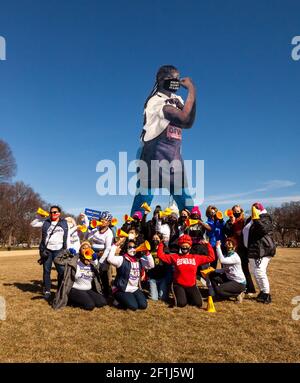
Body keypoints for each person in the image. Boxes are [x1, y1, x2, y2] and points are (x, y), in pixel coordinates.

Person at [131, 65, 196, 216]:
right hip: (152, 150)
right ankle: (133, 230)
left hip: (172, 151)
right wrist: (192, 90)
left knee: (183, 194)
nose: (175, 81)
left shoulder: (177, 99)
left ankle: (194, 229)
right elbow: (185, 119)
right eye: (170, 78)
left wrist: (187, 101)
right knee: (145, 194)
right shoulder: (155, 101)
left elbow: (190, 122)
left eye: (177, 78)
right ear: (160, 80)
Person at [157, 234, 215, 308]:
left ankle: (187, 295)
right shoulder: (175, 257)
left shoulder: (196, 258)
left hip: (191, 285)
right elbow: (161, 256)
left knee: (198, 304)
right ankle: (181, 295)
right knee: (181, 303)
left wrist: (208, 245)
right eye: (183, 246)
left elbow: (211, 258)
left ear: (190, 247)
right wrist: (161, 244)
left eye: (187, 246)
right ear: (180, 247)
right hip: (179, 285)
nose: (185, 248)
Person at [52, 241, 107, 310]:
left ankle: (84, 297)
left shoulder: (92, 263)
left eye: (88, 248)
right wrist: (67, 252)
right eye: (83, 248)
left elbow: (100, 272)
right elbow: (56, 260)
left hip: (87, 289)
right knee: (90, 305)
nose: (86, 249)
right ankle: (70, 299)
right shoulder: (73, 261)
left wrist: (96, 260)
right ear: (79, 251)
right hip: (75, 289)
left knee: (102, 302)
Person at [31, 205, 68, 300]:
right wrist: (39, 216)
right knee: (46, 271)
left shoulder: (64, 223)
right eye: (51, 212)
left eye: (55, 212)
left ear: (59, 213)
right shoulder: (46, 222)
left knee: (61, 271)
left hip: (59, 250)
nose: (53, 214)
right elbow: (33, 224)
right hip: (47, 250)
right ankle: (47, 290)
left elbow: (72, 230)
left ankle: (60, 290)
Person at [243, 202, 276, 304]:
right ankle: (262, 291)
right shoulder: (250, 219)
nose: (254, 209)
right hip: (253, 249)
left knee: (260, 271)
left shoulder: (266, 217)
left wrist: (256, 219)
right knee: (255, 272)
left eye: (256, 208)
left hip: (262, 249)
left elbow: (264, 229)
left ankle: (266, 294)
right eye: (253, 208)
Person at [107, 239, 154, 310]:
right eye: (130, 247)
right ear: (126, 248)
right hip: (121, 288)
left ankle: (129, 298)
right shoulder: (122, 259)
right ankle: (116, 299)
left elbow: (151, 265)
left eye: (134, 247)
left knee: (143, 305)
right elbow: (109, 259)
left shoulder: (139, 260)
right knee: (133, 306)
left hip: (134, 288)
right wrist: (115, 245)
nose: (132, 249)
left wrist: (147, 253)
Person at [224, 205, 256, 295]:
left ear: (241, 211)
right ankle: (239, 287)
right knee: (234, 270)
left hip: (242, 248)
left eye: (238, 211)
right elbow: (226, 232)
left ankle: (250, 289)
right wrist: (231, 223)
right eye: (234, 211)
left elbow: (247, 232)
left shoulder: (245, 220)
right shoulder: (229, 221)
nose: (236, 213)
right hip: (233, 248)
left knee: (244, 269)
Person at [208, 238, 247, 302]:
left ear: (234, 246)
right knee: (212, 274)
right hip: (229, 278)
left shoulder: (235, 257)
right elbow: (225, 269)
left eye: (231, 242)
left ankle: (237, 294)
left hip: (239, 283)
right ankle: (218, 294)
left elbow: (222, 261)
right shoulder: (227, 255)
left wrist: (218, 247)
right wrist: (214, 270)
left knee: (219, 290)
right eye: (227, 241)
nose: (228, 242)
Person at [87, 210, 114, 297]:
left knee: (103, 273)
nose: (103, 221)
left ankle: (107, 291)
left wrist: (101, 261)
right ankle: (93, 289)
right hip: (92, 252)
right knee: (91, 272)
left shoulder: (109, 233)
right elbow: (88, 238)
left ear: (109, 222)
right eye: (101, 219)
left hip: (102, 254)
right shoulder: (96, 228)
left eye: (105, 220)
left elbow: (108, 248)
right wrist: (90, 229)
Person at [146, 233, 172, 302]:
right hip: (152, 278)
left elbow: (168, 264)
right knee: (154, 299)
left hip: (162, 277)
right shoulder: (149, 249)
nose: (155, 240)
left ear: (160, 239)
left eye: (157, 238)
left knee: (162, 298)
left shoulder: (165, 249)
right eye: (153, 238)